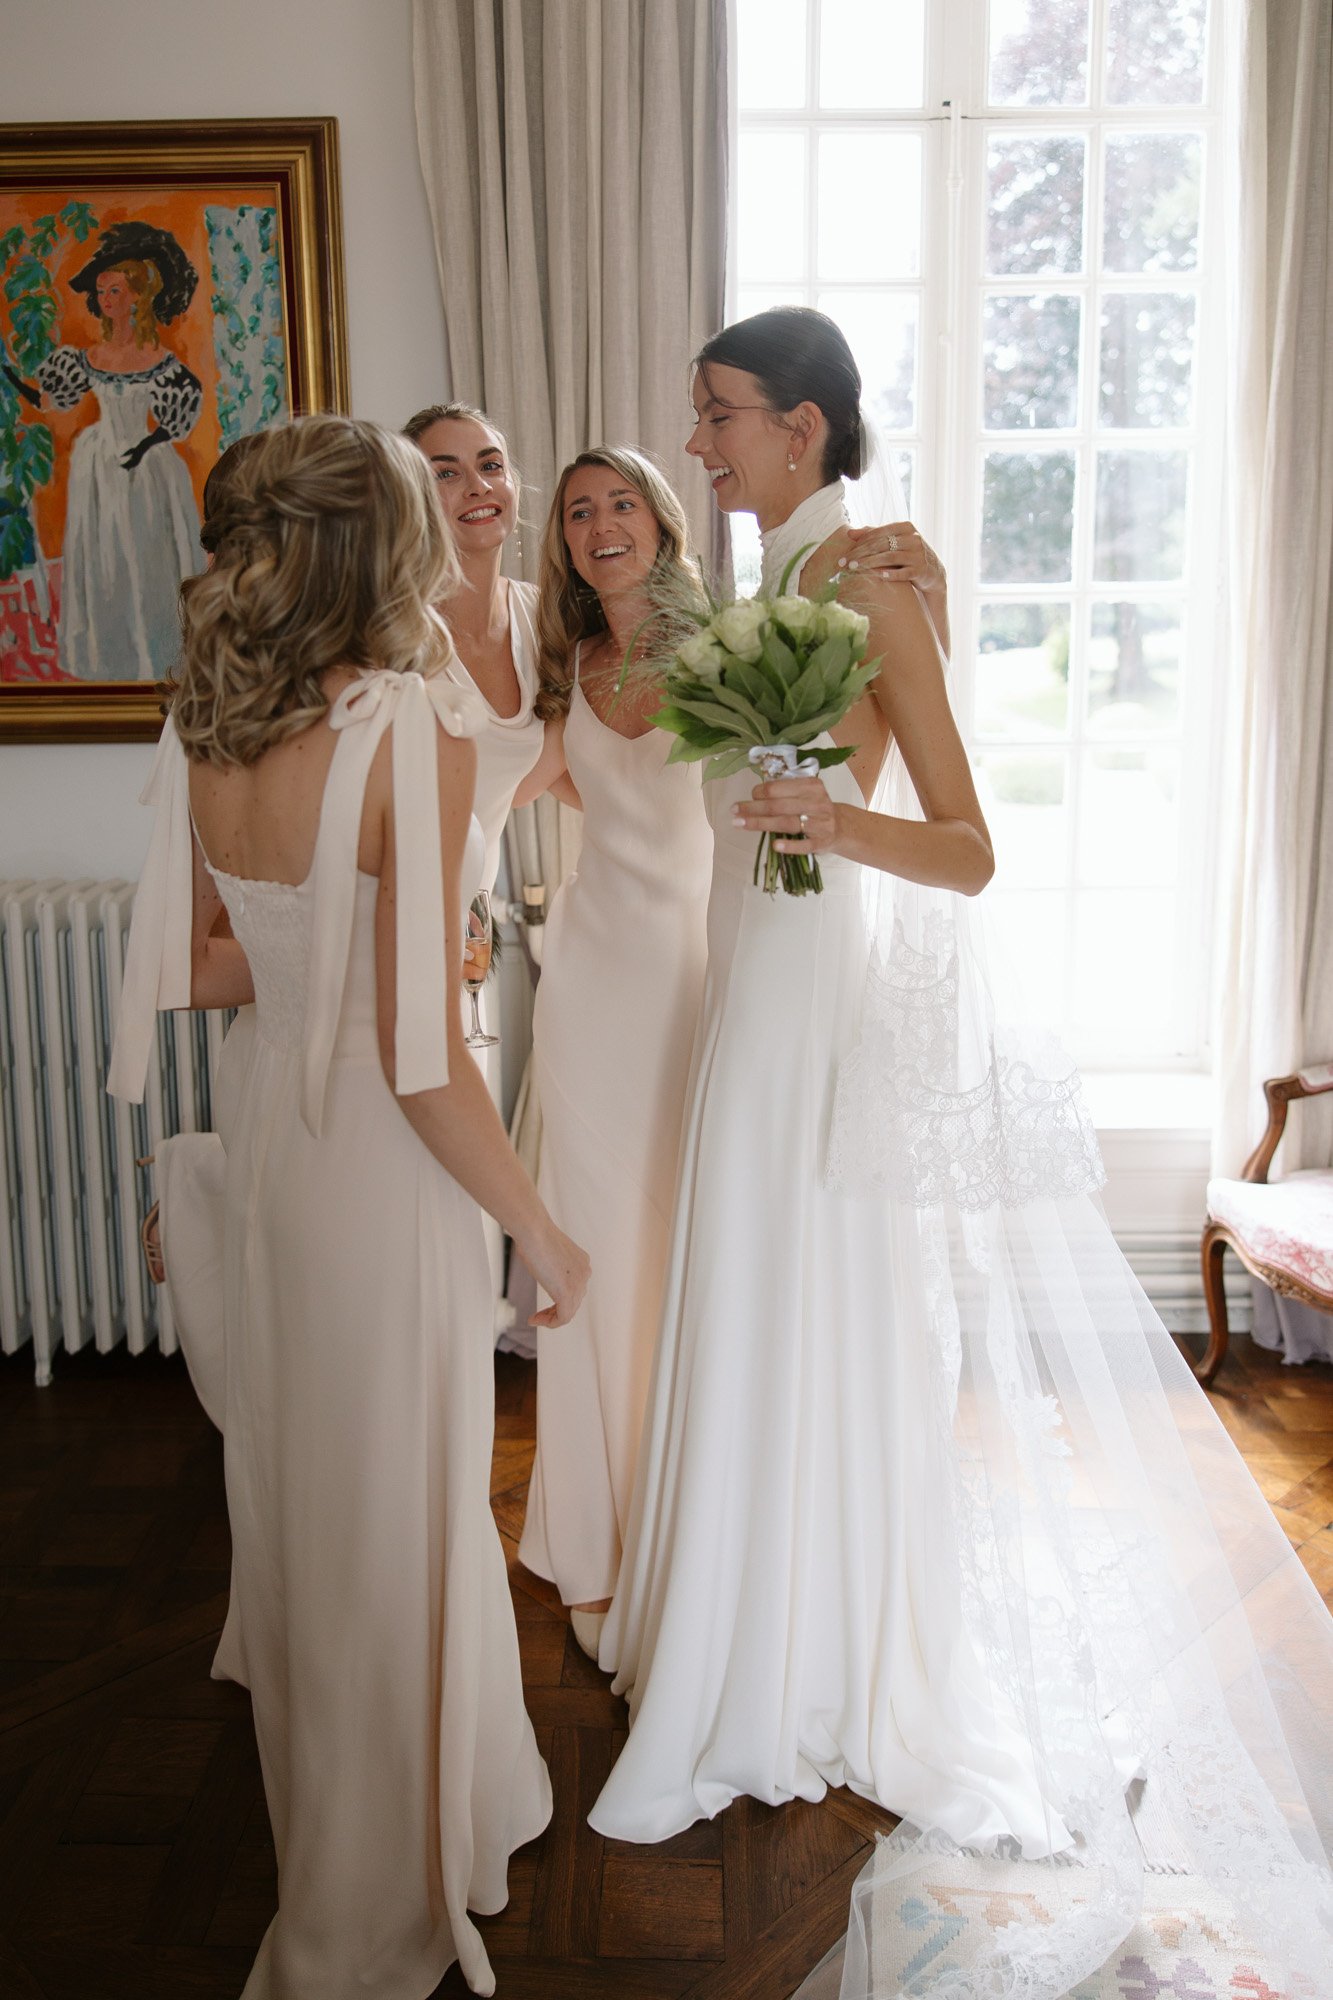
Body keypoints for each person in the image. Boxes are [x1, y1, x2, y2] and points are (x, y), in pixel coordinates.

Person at [588, 309, 1333, 1998]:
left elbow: (972, 849)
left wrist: (820, 815)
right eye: (694, 417)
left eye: (717, 417)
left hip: (818, 1008)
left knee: (817, 1308)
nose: (694, 443)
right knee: (746, 1303)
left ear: (801, 426)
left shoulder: (872, 585)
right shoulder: (764, 579)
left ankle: (822, 1663)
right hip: (746, 996)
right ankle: (741, 1645)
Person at [107, 413, 588, 2000]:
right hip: (383, 1182)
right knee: (402, 1504)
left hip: (271, 1148)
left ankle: (417, 1808)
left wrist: (317, 953)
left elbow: (184, 967)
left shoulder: (207, 724)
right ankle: (375, 1896)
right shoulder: (401, 730)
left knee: (319, 1505)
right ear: (378, 540)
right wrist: (539, 1223)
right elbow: (425, 1062)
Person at [516, 446, 716, 1657]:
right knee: (591, 1263)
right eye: (579, 509)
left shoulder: (732, 648)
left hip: (697, 989)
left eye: (620, 501)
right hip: (588, 994)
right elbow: (513, 788)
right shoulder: (565, 670)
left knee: (681, 1258)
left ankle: (690, 1527)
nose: (600, 523)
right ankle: (591, 1540)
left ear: (661, 519)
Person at [5, 219, 206, 679]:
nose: (103, 300)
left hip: (146, 467)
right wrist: (12, 376)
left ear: (137, 296)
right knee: (106, 559)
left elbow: (178, 413)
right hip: (97, 466)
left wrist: (146, 445)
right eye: (99, 293)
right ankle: (109, 656)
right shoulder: (87, 357)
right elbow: (50, 398)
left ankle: (163, 657)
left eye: (112, 291)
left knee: (150, 559)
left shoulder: (160, 361)